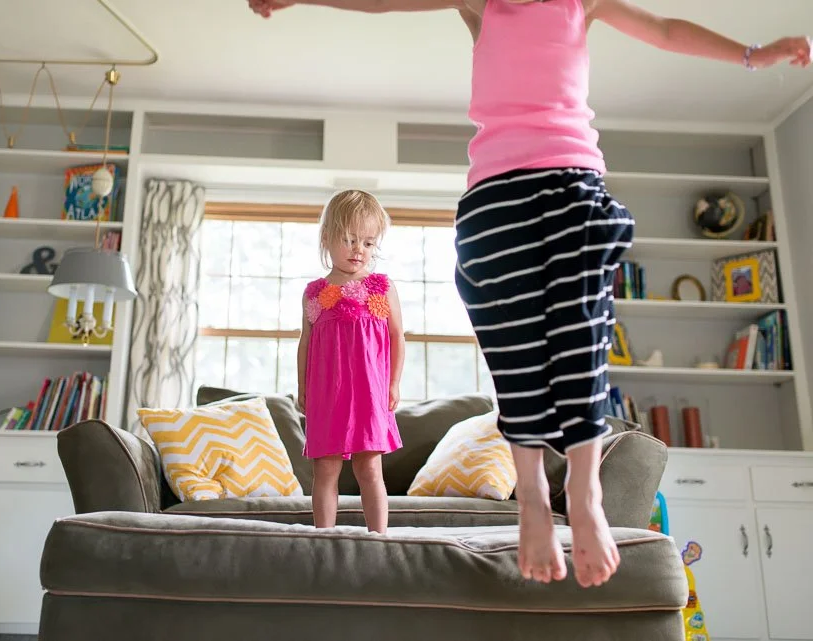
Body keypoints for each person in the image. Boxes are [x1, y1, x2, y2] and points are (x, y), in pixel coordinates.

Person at [251, 0, 811, 588]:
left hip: (572, 180)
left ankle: (585, 487)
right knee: (515, 351)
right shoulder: (482, 4)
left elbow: (667, 29)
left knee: (580, 331)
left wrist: (752, 55)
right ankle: (533, 499)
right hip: (495, 197)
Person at [298, 189, 405, 534]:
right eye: (350, 239)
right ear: (327, 238)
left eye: (369, 243)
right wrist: (302, 386)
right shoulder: (314, 292)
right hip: (327, 392)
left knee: (369, 469)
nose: (360, 250)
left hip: (369, 394)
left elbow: (397, 337)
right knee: (325, 471)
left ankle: (380, 539)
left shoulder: (381, 287)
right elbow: (306, 342)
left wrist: (393, 384)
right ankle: (324, 539)